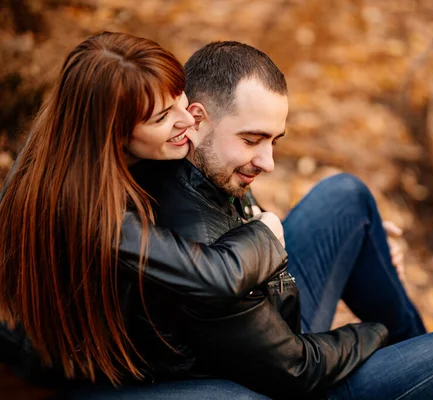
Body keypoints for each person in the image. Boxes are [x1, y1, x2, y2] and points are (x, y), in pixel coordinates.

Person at [116, 41, 433, 399]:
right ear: (197, 117)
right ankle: (420, 356)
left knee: (346, 198)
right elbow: (296, 368)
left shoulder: (186, 155)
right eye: (252, 139)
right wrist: (374, 333)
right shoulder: (194, 241)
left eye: (274, 140)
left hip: (265, 320)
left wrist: (368, 254)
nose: (267, 162)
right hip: (283, 377)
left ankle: (423, 359)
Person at [0, 31, 289, 392]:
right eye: (162, 117)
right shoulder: (85, 209)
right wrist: (266, 233)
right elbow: (215, 276)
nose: (187, 121)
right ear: (116, 132)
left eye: (179, 99)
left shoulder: (78, 143)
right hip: (73, 380)